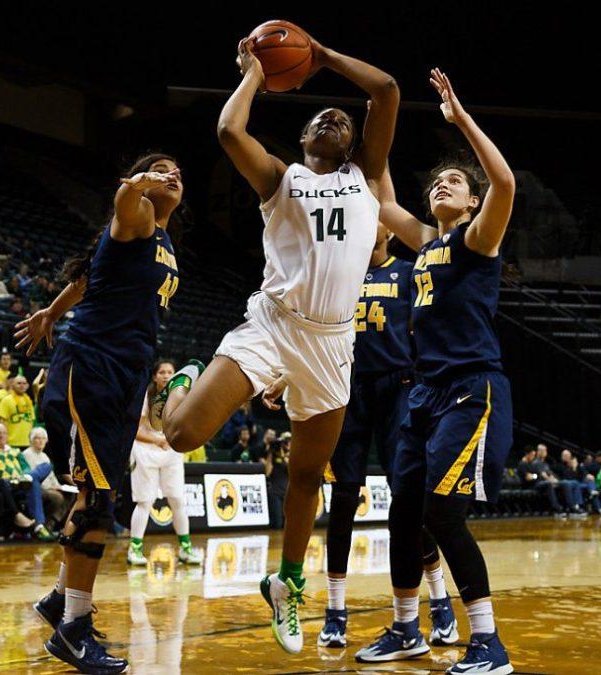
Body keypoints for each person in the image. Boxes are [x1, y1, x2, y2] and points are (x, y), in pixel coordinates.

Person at [149, 34, 399, 655]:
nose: (333, 117)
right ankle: (188, 377)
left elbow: (387, 90)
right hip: (273, 324)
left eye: (340, 115)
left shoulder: (368, 177)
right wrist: (256, 74)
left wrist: (322, 53)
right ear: (306, 141)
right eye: (320, 116)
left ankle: (286, 584)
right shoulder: (280, 179)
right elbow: (231, 131)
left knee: (311, 474)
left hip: (334, 344)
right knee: (180, 437)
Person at [356, 69, 516, 671]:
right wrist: (373, 137)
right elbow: (381, 198)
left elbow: (503, 180)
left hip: (471, 389)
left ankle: (487, 641)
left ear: (471, 202)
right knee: (404, 510)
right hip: (424, 394)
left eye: (456, 182)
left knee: (442, 513)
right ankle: (406, 629)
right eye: (439, 181)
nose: (445, 184)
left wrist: (460, 118)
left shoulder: (479, 240)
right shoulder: (424, 242)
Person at [15, 152, 185, 674]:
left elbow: (89, 277)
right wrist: (135, 184)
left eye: (179, 172)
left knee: (100, 496)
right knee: (99, 501)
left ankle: (59, 603)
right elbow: (121, 202)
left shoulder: (162, 242)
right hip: (92, 368)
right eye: (162, 169)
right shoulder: (136, 215)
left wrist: (51, 310)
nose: (172, 175)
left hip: (123, 376)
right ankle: (73, 629)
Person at [308, 222, 457, 652]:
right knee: (341, 499)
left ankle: (439, 598)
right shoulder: (342, 274)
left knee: (409, 501)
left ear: (388, 227)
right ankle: (335, 612)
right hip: (348, 388)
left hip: (400, 388)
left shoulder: (409, 272)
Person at [126, 360, 202, 567]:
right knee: (145, 502)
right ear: (154, 376)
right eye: (162, 372)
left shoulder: (182, 397)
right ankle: (135, 549)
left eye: (170, 372)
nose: (167, 375)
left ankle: (185, 549)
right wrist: (157, 440)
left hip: (171, 452)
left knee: (177, 499)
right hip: (145, 451)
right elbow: (134, 431)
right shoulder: (145, 396)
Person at [0, 375, 36, 449]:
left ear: (27, 386)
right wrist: (3, 440)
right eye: (19, 383)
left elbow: (31, 422)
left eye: (24, 383)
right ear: (12, 385)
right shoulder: (6, 400)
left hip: (27, 443)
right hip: (11, 443)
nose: (22, 386)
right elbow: (0, 421)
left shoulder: (29, 401)